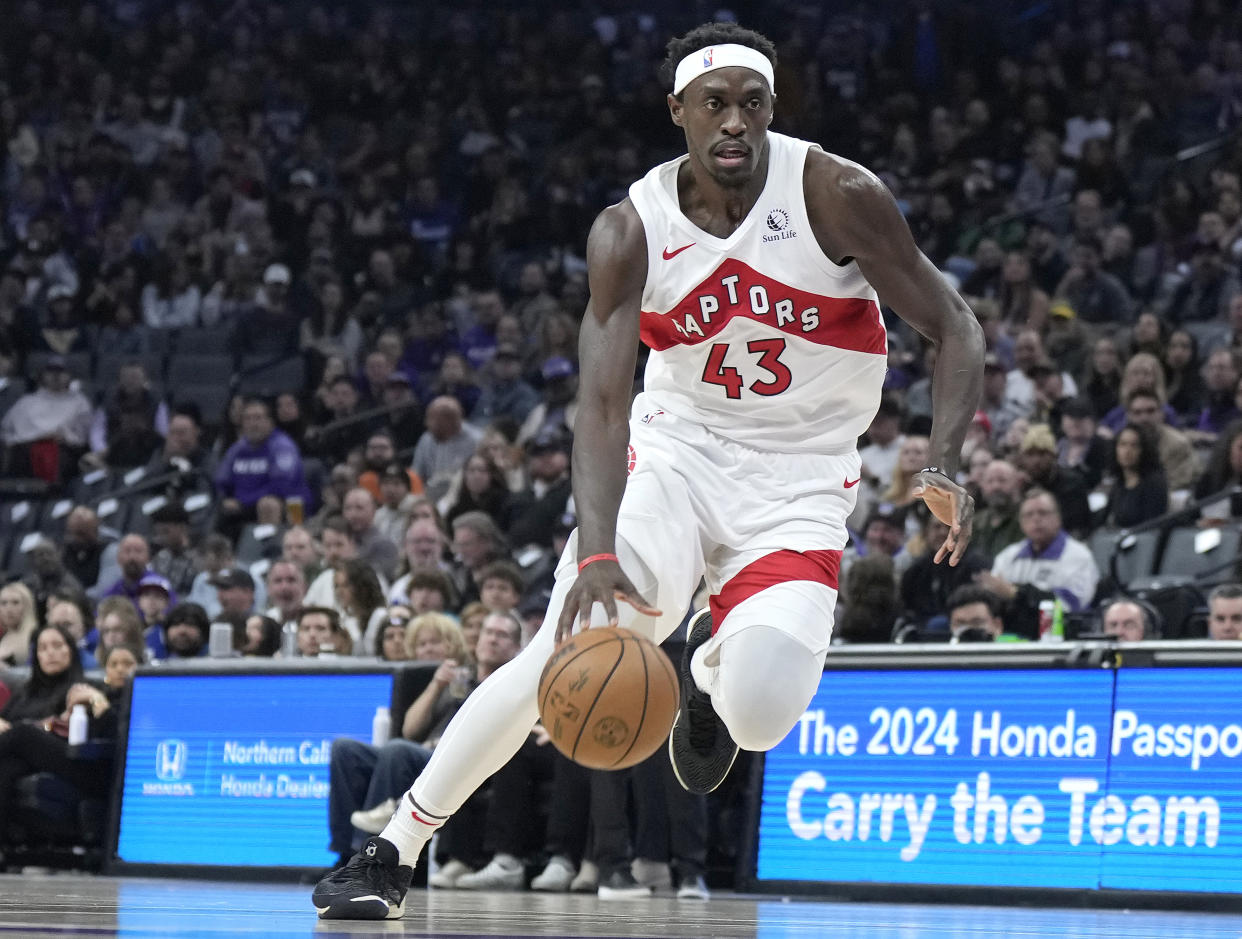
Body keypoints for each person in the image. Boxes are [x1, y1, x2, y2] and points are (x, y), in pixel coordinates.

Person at [314, 23, 982, 920]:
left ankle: (706, 677)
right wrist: (595, 553)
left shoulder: (837, 195)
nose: (734, 122)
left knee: (762, 714)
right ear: (678, 112)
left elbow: (957, 328)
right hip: (678, 454)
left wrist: (944, 463)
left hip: (800, 477)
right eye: (714, 104)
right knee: (561, 649)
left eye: (752, 102)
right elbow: (599, 403)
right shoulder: (630, 230)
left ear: (773, 110)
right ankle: (393, 850)